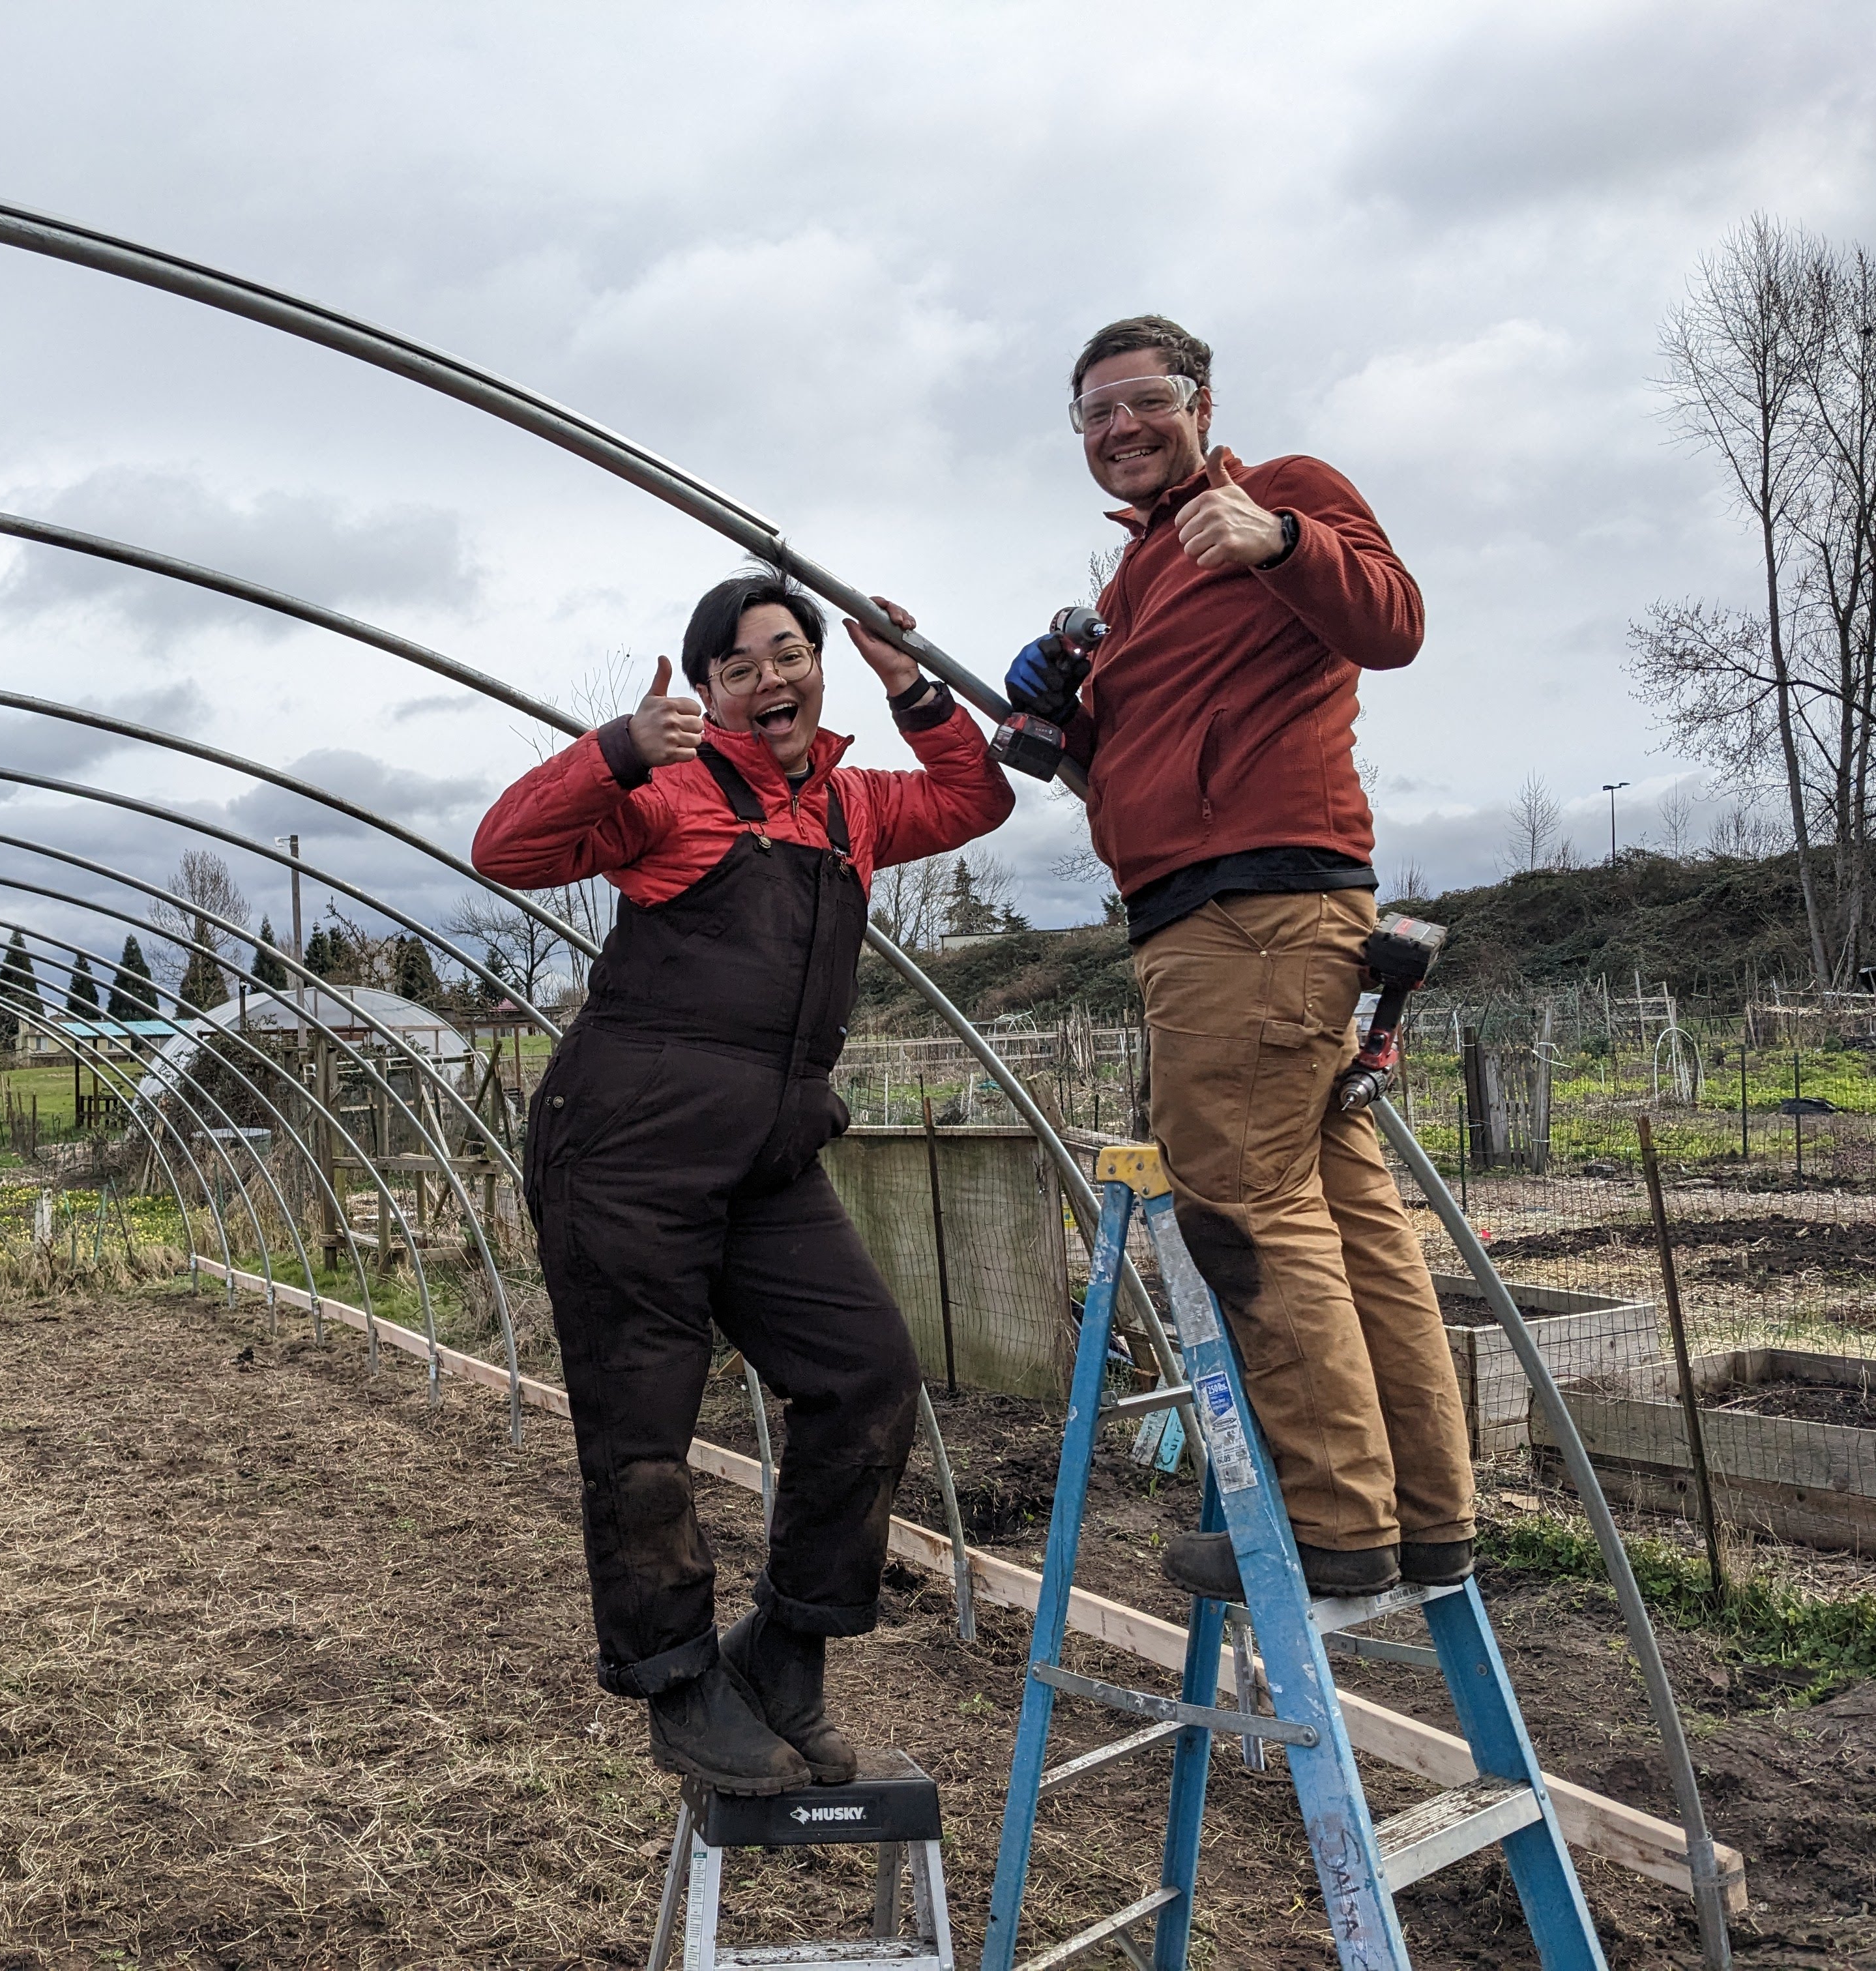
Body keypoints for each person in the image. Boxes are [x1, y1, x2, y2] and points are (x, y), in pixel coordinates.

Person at [473, 570, 1014, 1794]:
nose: (770, 677)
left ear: (818, 664)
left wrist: (913, 684)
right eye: (739, 664)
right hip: (627, 1153)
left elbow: (978, 798)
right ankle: (675, 1683)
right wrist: (612, 748)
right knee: (643, 1430)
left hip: (767, 1159)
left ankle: (786, 1645)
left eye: (791, 652)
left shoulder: (851, 807)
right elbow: (507, 847)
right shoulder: (666, 791)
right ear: (708, 690)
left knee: (866, 1374)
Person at [1005, 315, 1474, 1602]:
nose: (1119, 430)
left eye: (1143, 399)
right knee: (1349, 1210)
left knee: (1242, 1209)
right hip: (1231, 915)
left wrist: (1282, 542)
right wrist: (1056, 710)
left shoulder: (1286, 497)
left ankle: (1333, 1532)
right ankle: (1422, 1524)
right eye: (1093, 415)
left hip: (1249, 915)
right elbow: (1135, 767)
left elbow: (1396, 621)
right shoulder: (1133, 587)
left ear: (1202, 402)